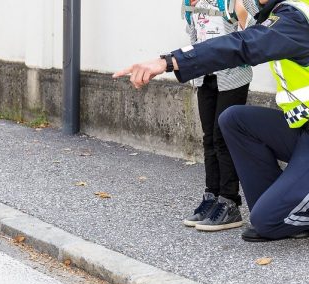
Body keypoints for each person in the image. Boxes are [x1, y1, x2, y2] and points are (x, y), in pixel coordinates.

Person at [113, 0, 309, 242]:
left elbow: (241, 45)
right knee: (235, 120)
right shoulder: (278, 12)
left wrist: (167, 61)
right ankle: (288, 203)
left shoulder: (298, 17)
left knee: (267, 222)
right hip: (301, 130)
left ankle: (285, 208)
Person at [181, 0, 258, 232]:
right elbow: (193, 37)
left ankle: (229, 201)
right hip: (204, 75)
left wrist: (236, 10)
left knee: (223, 137)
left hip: (232, 76)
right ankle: (212, 196)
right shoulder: (188, 1)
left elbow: (253, 29)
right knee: (209, 139)